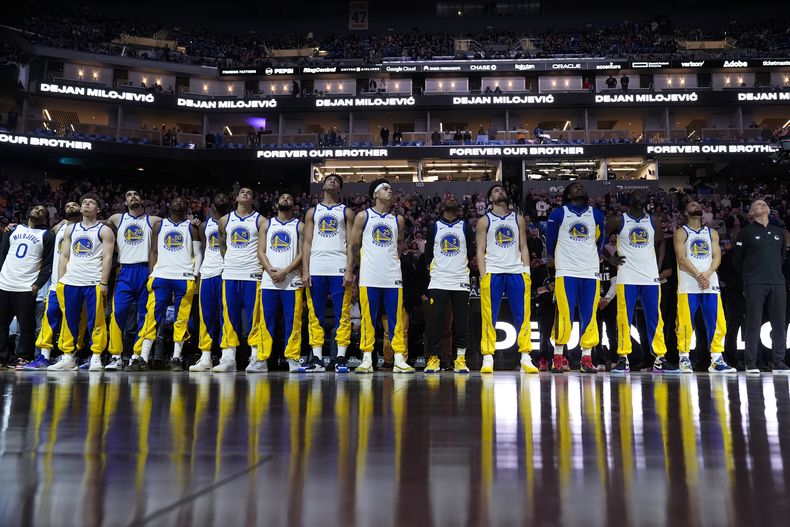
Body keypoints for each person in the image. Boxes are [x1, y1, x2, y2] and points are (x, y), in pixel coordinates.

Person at [605, 191, 676, 374]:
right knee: (624, 317)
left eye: (643, 195)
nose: (641, 196)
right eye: (637, 194)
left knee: (655, 317)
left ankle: (659, 358)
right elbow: (597, 239)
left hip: (649, 276)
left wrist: (658, 265)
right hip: (627, 276)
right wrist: (610, 258)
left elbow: (660, 242)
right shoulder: (618, 220)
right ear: (629, 200)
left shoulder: (654, 220)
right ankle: (623, 357)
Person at [348, 179, 413, 373]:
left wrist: (390, 262)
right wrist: (356, 268)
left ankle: (399, 358)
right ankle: (367, 358)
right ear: (375, 194)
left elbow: (399, 245)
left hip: (392, 275)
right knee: (368, 318)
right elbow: (353, 245)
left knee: (396, 318)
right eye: (385, 189)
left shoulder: (398, 219)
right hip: (370, 275)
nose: (390, 191)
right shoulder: (363, 216)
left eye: (390, 189)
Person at [129, 197, 202, 372]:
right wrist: (151, 273)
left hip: (184, 276)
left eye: (182, 201)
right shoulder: (159, 225)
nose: (179, 203)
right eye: (176, 201)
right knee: (152, 316)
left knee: (181, 319)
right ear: (170, 205)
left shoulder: (192, 226)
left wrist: (195, 275)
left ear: (187, 207)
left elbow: (198, 253)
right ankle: (143, 357)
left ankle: (176, 357)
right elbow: (153, 252)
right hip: (161, 275)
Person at [47, 194, 115, 371]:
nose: (87, 204)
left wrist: (104, 282)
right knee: (69, 320)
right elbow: (64, 255)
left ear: (98, 209)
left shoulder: (104, 230)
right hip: (71, 281)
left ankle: (96, 356)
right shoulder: (71, 229)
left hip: (93, 281)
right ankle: (68, 357)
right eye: (84, 202)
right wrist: (61, 279)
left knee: (96, 321)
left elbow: (108, 258)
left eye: (91, 202)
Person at [546, 182, 606, 374]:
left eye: (581, 187)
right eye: (574, 187)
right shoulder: (559, 213)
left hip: (590, 271)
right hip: (566, 270)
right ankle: (557, 356)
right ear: (568, 194)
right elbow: (550, 242)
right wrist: (559, 260)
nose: (579, 188)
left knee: (589, 314)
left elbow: (600, 240)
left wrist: (591, 258)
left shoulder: (596, 214)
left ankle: (586, 358)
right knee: (564, 313)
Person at [476, 184, 534, 373]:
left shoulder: (518, 219)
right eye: (495, 191)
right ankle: (488, 356)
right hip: (493, 271)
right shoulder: (484, 221)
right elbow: (480, 249)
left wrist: (527, 271)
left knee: (522, 315)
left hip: (517, 271)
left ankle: (525, 356)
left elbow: (523, 246)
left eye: (502, 190)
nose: (500, 192)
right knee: (489, 316)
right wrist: (483, 275)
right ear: (489, 199)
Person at [248, 193, 306, 374]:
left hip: (292, 280)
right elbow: (260, 250)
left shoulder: (300, 226)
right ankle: (262, 359)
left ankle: (293, 359)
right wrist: (269, 269)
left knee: (293, 322)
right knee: (266, 321)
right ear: (276, 203)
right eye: (283, 197)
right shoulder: (267, 224)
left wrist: (285, 271)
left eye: (289, 197)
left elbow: (303, 253)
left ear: (294, 204)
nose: (286, 199)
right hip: (269, 280)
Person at [674, 201, 736, 373]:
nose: (696, 206)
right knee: (685, 322)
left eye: (698, 204)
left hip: (710, 283)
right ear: (686, 212)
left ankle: (716, 360)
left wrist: (707, 274)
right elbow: (681, 259)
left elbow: (717, 257)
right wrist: (699, 275)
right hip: (689, 284)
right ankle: (684, 358)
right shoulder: (681, 232)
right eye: (692, 205)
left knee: (716, 321)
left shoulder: (712, 232)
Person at [302, 174, 355, 373]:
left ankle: (340, 357)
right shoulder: (312, 212)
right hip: (316, 266)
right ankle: (317, 358)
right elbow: (307, 242)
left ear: (340, 188)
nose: (332, 181)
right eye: (329, 179)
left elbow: (352, 244)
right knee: (315, 314)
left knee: (343, 313)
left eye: (336, 180)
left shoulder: (346, 211)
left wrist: (349, 269)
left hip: (339, 265)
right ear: (322, 186)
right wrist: (305, 269)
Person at [105, 190, 161, 371]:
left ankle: (137, 356)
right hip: (125, 270)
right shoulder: (116, 219)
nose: (133, 196)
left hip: (146, 269)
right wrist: (70, 223)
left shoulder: (153, 220)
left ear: (142, 200)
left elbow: (176, 224)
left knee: (144, 315)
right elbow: (96, 226)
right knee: (117, 313)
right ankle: (115, 356)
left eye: (136, 194)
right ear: (125, 201)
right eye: (129, 195)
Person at [732, 199, 790, 374]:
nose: (763, 205)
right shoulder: (746, 232)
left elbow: (782, 257)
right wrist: (748, 278)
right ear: (751, 213)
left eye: (764, 203)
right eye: (758, 204)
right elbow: (737, 260)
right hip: (754, 282)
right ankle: (751, 362)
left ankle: (779, 362)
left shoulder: (779, 232)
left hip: (777, 282)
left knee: (779, 323)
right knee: (753, 322)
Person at [424, 194, 474, 374]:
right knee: (436, 323)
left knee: (461, 323)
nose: (451, 198)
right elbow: (428, 254)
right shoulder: (434, 227)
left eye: (454, 198)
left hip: (460, 279)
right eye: (448, 198)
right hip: (439, 280)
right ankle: (434, 358)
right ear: (441, 206)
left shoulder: (465, 227)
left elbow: (471, 252)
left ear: (459, 207)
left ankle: (460, 358)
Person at [215, 187, 263, 372]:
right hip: (231, 274)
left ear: (253, 199)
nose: (245, 194)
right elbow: (222, 246)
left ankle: (256, 356)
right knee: (229, 316)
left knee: (254, 318)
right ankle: (228, 357)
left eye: (249, 192)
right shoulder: (225, 220)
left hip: (253, 273)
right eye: (242, 192)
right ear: (236, 197)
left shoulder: (261, 220)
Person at [29, 202, 82, 369]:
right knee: (49, 317)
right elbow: (36, 230)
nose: (70, 206)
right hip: (55, 283)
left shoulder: (86, 229)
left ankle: (70, 356)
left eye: (74, 204)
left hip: (75, 282)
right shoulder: (58, 228)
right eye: (67, 205)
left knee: (72, 320)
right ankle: (44, 356)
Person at [0, 206, 54, 367]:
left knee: (26, 326)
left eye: (42, 211)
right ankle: (3, 357)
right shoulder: (13, 229)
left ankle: (23, 356)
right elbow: (2, 254)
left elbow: (48, 264)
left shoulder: (47, 235)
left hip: (26, 287)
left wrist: (38, 284)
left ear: (45, 218)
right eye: (36, 208)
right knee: (1, 324)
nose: (38, 211)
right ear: (28, 212)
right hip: (4, 284)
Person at [190, 193, 230, 372]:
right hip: (207, 273)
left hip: (225, 272)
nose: (221, 199)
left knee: (225, 316)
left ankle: (226, 356)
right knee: (206, 317)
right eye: (218, 198)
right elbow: (203, 250)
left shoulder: (232, 222)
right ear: (212, 204)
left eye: (224, 198)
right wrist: (198, 274)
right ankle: (205, 357)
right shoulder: (204, 225)